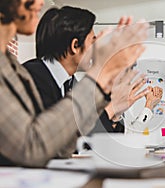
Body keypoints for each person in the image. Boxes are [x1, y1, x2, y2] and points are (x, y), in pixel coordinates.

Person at [0, 0, 149, 167]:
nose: (41, 2)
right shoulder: (33, 74)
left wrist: (107, 91)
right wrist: (100, 76)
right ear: (74, 45)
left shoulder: (12, 65)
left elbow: (63, 147)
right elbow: (33, 146)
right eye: (93, 41)